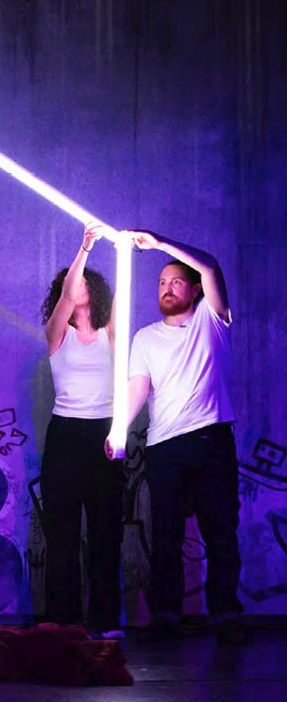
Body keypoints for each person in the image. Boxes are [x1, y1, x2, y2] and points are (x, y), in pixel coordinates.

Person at [105, 231, 243, 644]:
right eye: (161, 283)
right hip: (165, 446)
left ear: (195, 289)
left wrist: (158, 243)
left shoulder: (211, 319)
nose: (166, 288)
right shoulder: (145, 336)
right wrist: (119, 431)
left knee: (220, 531)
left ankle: (225, 615)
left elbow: (211, 264)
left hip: (211, 441)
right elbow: (137, 389)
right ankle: (165, 613)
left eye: (175, 281)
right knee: (164, 534)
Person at [39, 222, 123, 638]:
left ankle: (106, 620)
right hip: (66, 438)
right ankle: (63, 621)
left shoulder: (112, 333)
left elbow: (121, 300)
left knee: (106, 531)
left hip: (106, 436)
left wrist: (126, 249)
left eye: (90, 281)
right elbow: (71, 293)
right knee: (63, 533)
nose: (82, 285)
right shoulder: (58, 334)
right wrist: (85, 249)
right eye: (76, 282)